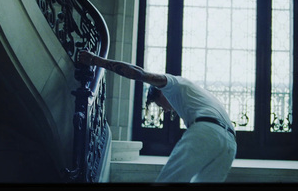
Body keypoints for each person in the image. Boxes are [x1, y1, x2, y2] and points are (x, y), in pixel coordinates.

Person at [77, 50, 237, 182]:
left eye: (160, 105)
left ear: (160, 91)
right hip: (229, 142)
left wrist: (96, 60)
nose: (165, 110)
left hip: (207, 132)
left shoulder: (172, 84)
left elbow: (138, 73)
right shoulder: (196, 96)